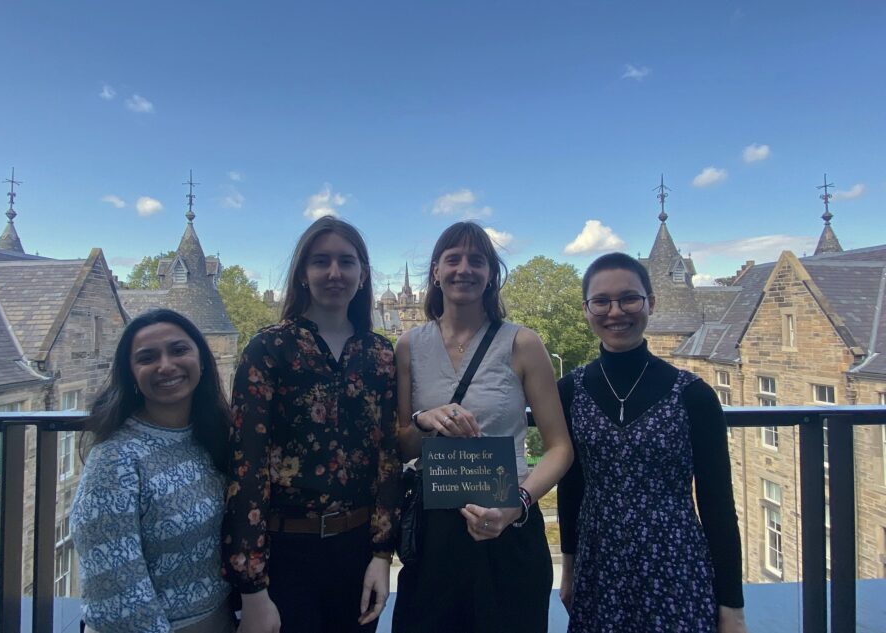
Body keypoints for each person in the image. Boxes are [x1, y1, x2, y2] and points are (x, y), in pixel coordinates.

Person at [392, 221, 574, 633]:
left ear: (491, 273)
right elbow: (402, 446)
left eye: (477, 260)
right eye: (452, 259)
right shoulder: (408, 346)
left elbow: (560, 447)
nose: (464, 269)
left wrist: (518, 504)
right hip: (434, 533)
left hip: (508, 526)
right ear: (435, 272)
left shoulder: (523, 343)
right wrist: (424, 421)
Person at [222, 216, 400, 633]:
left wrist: (381, 555)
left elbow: (388, 459)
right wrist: (252, 587)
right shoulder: (269, 348)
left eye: (346, 261)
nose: (334, 273)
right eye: (321, 261)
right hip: (285, 553)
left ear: (363, 273)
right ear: (303, 273)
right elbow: (246, 468)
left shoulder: (380, 353)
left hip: (356, 552)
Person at [556, 252, 747, 632]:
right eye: (601, 301)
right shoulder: (570, 390)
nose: (616, 311)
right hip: (600, 566)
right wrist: (569, 568)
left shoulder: (693, 395)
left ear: (650, 303)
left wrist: (732, 606)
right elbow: (571, 485)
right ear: (586, 309)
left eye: (629, 298)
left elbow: (717, 504)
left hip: (676, 564)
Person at [70, 309, 236, 633]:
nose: (165, 366)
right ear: (131, 373)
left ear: (201, 360)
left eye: (178, 350)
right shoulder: (114, 461)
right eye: (147, 357)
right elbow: (116, 596)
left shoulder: (212, 438)